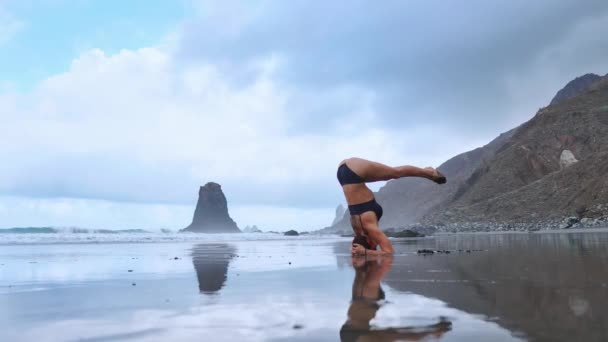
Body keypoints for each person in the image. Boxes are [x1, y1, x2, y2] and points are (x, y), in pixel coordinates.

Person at [337, 157, 446, 256]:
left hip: (353, 170)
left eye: (375, 246)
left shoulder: (369, 227)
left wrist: (366, 252)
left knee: (396, 173)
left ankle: (429, 172)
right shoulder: (358, 232)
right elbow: (355, 246)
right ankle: (427, 172)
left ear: (370, 242)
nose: (377, 245)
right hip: (346, 173)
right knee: (393, 173)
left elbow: (389, 252)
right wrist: (360, 251)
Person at [340, 255, 452, 341]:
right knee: (396, 334)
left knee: (364, 272)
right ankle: (434, 332)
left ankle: (434, 332)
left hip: (362, 308)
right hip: (363, 308)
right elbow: (401, 334)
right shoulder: (363, 333)